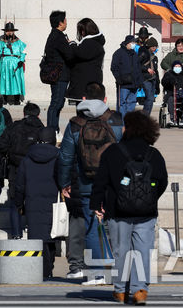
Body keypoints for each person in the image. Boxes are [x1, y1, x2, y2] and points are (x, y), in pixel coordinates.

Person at [91, 111, 168, 305]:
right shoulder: (154, 154)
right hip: (146, 213)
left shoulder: (113, 151)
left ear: (129, 128)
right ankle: (140, 289)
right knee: (142, 250)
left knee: (121, 251)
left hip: (118, 211)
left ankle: (120, 290)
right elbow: (163, 181)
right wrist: (149, 199)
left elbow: (101, 181)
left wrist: (97, 204)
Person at [58, 81, 123, 284]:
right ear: (105, 99)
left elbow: (65, 157)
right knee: (117, 224)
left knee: (91, 226)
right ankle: (121, 270)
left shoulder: (75, 123)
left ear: (83, 99)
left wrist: (64, 183)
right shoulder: (116, 120)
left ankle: (97, 272)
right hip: (114, 183)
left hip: (85, 183)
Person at [12, 127, 60, 278]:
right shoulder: (59, 157)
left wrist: (19, 204)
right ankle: (48, 268)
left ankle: (42, 270)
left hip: (33, 204)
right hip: (54, 204)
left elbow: (19, 185)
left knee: (38, 239)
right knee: (52, 237)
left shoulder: (27, 159)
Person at [0, 102, 44, 239]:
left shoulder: (14, 127)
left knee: (14, 203)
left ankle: (16, 234)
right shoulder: (42, 129)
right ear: (38, 115)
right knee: (33, 201)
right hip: (35, 170)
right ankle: (33, 232)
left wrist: (10, 154)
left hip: (15, 169)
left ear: (24, 113)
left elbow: (1, 144)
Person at [43, 10, 74, 133]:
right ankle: (52, 130)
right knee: (56, 102)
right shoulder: (59, 37)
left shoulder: (53, 35)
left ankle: (53, 128)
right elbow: (69, 55)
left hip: (57, 74)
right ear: (60, 23)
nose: (66, 22)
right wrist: (71, 44)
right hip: (59, 74)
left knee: (58, 102)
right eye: (65, 20)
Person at [65, 18, 105, 102]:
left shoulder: (90, 43)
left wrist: (72, 44)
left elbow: (81, 53)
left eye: (81, 31)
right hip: (90, 82)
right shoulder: (95, 42)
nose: (81, 33)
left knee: (83, 111)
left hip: (85, 84)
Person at [110, 35, 143, 118]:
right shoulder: (118, 53)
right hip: (123, 84)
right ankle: (121, 122)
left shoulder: (134, 54)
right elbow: (114, 67)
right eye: (133, 42)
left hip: (134, 84)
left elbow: (138, 69)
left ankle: (129, 121)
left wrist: (140, 82)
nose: (134, 44)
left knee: (132, 103)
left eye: (135, 42)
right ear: (127, 43)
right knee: (122, 103)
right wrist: (119, 79)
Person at [0, 22, 26, 105]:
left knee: (16, 79)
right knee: (4, 79)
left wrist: (21, 60)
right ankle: (4, 98)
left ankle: (17, 99)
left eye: (11, 30)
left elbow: (23, 52)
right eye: (7, 30)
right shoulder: (1, 41)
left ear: (13, 31)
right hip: (4, 62)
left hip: (16, 62)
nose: (9, 32)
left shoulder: (19, 42)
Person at [161, 60, 183, 127]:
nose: (177, 68)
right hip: (172, 94)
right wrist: (170, 81)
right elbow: (164, 83)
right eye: (176, 66)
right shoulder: (168, 74)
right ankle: (173, 118)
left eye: (179, 66)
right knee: (170, 99)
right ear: (173, 67)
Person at [139, 38, 160, 116]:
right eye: (153, 47)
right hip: (146, 79)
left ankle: (146, 115)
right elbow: (137, 65)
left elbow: (156, 70)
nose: (154, 48)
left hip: (153, 79)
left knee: (151, 99)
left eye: (156, 47)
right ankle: (145, 115)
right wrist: (147, 69)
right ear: (149, 47)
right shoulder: (144, 54)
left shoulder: (155, 57)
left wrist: (158, 84)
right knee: (149, 98)